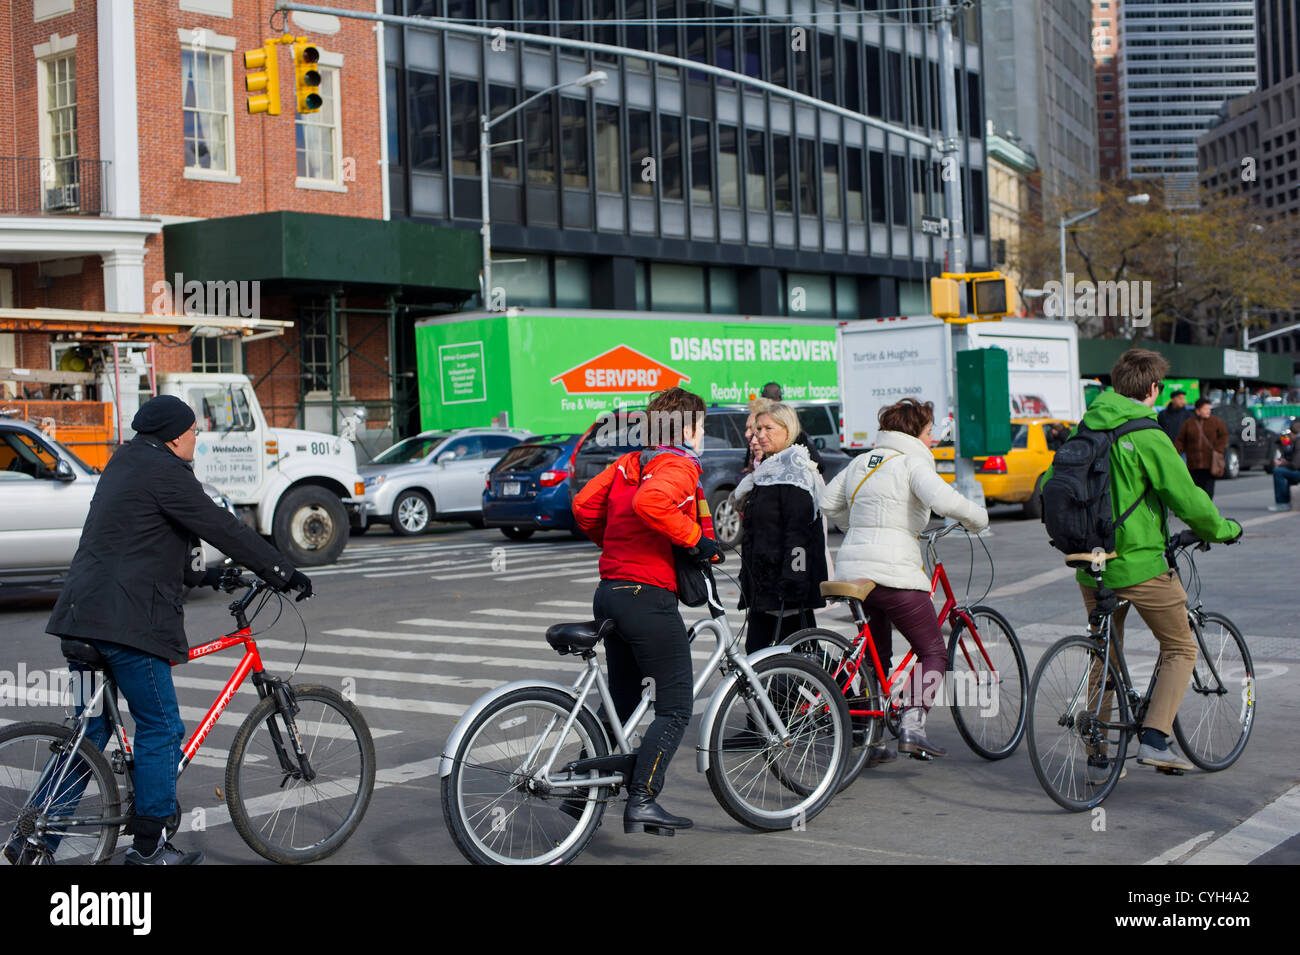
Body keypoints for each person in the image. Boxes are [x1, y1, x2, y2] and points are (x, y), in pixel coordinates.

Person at [40, 395, 312, 866]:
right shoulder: (165, 471)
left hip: (82, 616)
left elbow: (141, 537)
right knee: (162, 725)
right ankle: (149, 848)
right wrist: (281, 570)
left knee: (91, 731)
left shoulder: (125, 463)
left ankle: (36, 835)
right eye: (193, 432)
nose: (197, 440)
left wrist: (204, 576)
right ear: (173, 436)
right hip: (128, 625)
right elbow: (220, 526)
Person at [1049, 349, 1241, 779]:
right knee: (1179, 646)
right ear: (1153, 389)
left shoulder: (1087, 428)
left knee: (1104, 653)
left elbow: (1052, 483)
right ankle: (1155, 738)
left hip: (1091, 565)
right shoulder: (1147, 434)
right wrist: (1223, 529)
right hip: (1138, 564)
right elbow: (1187, 498)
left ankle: (1097, 743)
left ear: (1116, 385)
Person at [572, 387, 720, 836]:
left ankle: (584, 785)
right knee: (675, 707)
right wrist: (695, 541)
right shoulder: (676, 465)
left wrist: (617, 547)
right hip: (647, 596)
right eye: (702, 426)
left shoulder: (629, 463)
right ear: (688, 427)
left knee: (622, 700)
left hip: (610, 590)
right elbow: (651, 504)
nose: (702, 435)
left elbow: (583, 507)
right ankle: (643, 799)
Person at [820, 398, 988, 761]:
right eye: (929, 433)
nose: (932, 440)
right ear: (915, 432)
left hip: (855, 571)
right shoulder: (913, 463)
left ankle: (871, 737)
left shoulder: (860, 461)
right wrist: (978, 518)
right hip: (892, 572)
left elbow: (828, 503)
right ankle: (912, 723)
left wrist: (859, 529)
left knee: (875, 656)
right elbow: (946, 502)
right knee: (934, 652)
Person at [734, 403, 828, 654]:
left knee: (800, 653)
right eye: (758, 429)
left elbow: (799, 534)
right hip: (764, 584)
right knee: (761, 651)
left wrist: (794, 580)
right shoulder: (767, 470)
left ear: (788, 431)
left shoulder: (794, 472)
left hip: (785, 588)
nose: (760, 435)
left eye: (768, 428)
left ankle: (842, 692)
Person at [1175, 398, 1229, 498]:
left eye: (1209, 409)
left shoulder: (1215, 421)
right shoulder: (1189, 423)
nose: (1208, 411)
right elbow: (1180, 440)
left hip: (1209, 463)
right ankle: (1199, 511)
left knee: (1208, 490)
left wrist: (1218, 449)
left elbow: (1224, 435)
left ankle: (1208, 511)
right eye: (1205, 409)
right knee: (1196, 491)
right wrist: (1174, 454)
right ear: (1198, 410)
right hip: (1193, 464)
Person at [1268, 419, 1300, 511]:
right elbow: (1288, 453)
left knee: (1278, 471)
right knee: (1287, 473)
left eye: (1289, 434)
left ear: (1293, 433)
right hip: (1296, 469)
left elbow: (1295, 465)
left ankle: (1283, 502)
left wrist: (1282, 464)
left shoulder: (1298, 441)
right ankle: (1288, 500)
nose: (1287, 437)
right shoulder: (1292, 441)